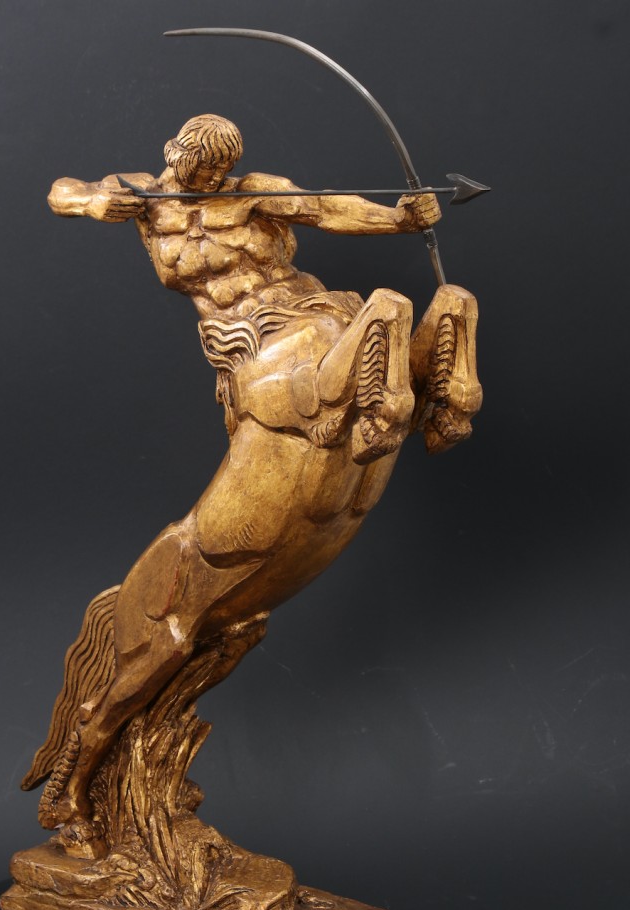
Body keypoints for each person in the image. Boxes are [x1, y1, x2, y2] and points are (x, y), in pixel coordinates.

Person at [26, 115, 480, 849]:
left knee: (440, 302)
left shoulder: (256, 193)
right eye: (196, 165)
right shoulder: (145, 197)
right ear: (174, 154)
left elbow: (327, 208)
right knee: (153, 658)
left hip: (306, 321)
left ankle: (437, 401)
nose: (207, 178)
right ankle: (70, 785)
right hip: (249, 353)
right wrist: (97, 202)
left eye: (218, 169)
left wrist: (398, 218)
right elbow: (62, 191)